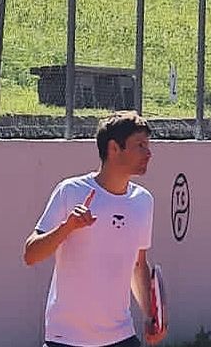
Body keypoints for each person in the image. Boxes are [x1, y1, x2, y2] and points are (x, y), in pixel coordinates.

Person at [24, 111, 167, 347]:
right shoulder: (70, 191)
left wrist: (152, 316)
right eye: (140, 145)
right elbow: (30, 254)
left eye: (148, 145)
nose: (148, 153)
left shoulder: (144, 201)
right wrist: (67, 228)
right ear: (114, 148)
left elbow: (138, 264)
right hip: (66, 338)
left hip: (121, 336)